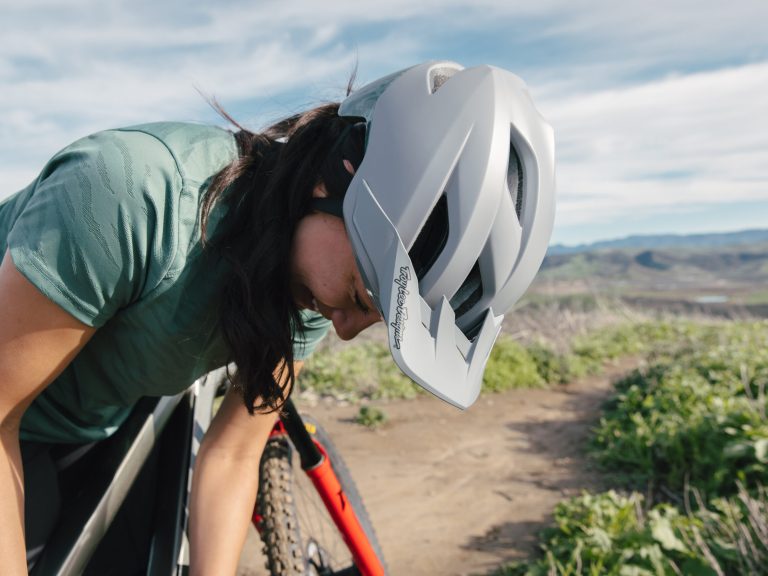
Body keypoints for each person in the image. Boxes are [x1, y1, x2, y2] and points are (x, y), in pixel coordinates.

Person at [0, 60, 555, 574]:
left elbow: (235, 453)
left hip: (90, 422)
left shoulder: (309, 290)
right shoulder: (129, 198)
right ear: (331, 183)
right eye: (363, 297)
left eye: (380, 317)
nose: (344, 329)